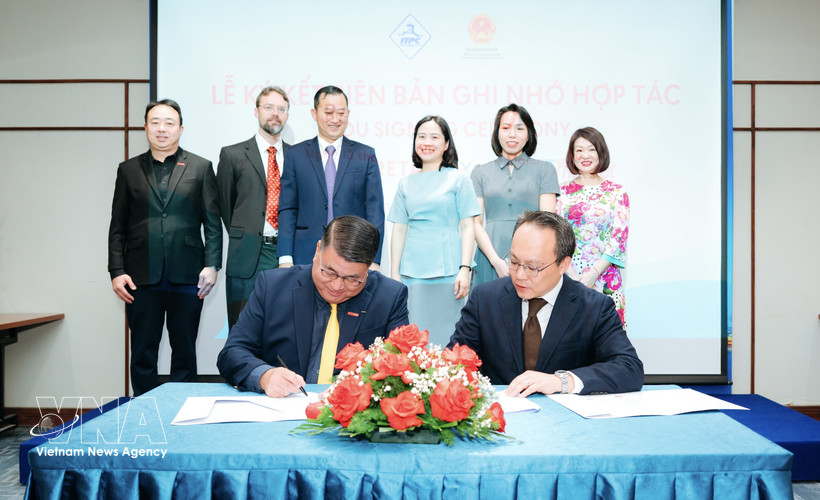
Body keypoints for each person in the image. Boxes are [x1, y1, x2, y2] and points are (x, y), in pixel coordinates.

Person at [448, 211, 643, 396]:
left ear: (563, 265)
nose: (520, 275)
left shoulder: (593, 307)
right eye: (514, 262)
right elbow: (453, 361)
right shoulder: (485, 299)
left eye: (533, 267)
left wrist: (561, 381)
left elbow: (629, 368)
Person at [217, 216, 409, 397]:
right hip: (284, 407)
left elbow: (403, 367)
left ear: (368, 269)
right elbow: (233, 352)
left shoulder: (390, 297)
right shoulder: (273, 286)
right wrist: (264, 376)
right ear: (318, 251)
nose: (336, 286)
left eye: (352, 279)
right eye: (329, 272)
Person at [108, 99, 222, 396]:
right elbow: (117, 225)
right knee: (143, 349)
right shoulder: (128, 170)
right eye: (155, 122)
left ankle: (181, 409)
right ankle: (144, 411)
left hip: (189, 274)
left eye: (169, 123)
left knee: (184, 348)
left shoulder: (201, 167)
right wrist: (116, 270)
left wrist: (213, 265)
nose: (162, 129)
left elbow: (212, 223)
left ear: (180, 129)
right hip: (139, 275)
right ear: (145, 127)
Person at [388, 116, 480, 346]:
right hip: (412, 273)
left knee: (450, 339)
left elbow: (469, 226)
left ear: (447, 144)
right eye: (421, 136)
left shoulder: (458, 179)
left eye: (434, 137)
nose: (427, 142)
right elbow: (399, 229)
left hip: (450, 272)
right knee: (415, 342)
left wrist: (464, 269)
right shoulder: (405, 183)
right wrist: (394, 273)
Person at [278, 85, 385, 269]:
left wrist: (373, 259)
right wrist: (285, 257)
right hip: (305, 255)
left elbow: (375, 212)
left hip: (353, 255)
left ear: (348, 114)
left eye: (341, 113)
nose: (335, 119)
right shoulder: (295, 155)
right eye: (328, 112)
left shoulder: (365, 155)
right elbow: (288, 209)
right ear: (314, 113)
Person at [216, 86, 291, 329]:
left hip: (286, 255)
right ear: (256, 111)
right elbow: (226, 206)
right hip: (246, 255)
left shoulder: (298, 156)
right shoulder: (233, 155)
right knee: (242, 331)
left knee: (283, 330)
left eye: (281, 109)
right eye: (268, 107)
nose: (275, 113)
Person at [471, 104, 560, 286]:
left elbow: (548, 220)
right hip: (488, 255)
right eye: (505, 128)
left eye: (519, 128)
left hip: (533, 257)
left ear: (529, 134)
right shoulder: (480, 172)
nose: (512, 134)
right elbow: (475, 223)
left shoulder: (545, 169)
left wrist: (525, 261)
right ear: (497, 133)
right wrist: (496, 261)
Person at [556, 127, 630, 326]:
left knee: (609, 342)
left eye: (591, 149)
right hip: (568, 278)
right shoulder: (561, 192)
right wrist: (573, 276)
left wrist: (593, 274)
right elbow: (555, 237)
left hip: (606, 278)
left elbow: (618, 239)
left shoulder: (617, 192)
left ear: (601, 152)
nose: (585, 155)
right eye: (579, 150)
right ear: (572, 156)